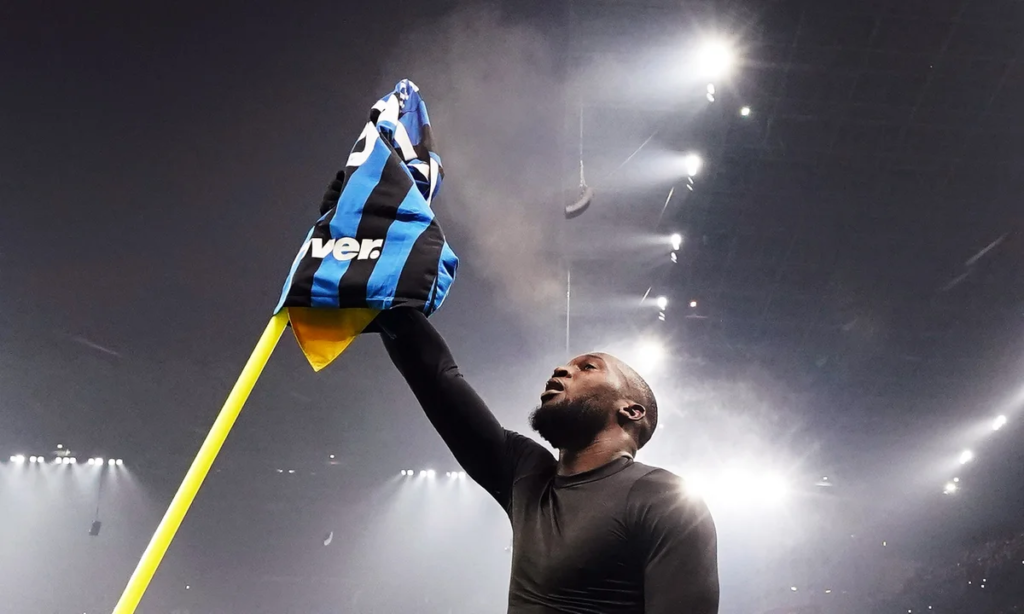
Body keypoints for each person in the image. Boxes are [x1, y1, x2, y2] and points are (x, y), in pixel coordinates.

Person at [379, 309, 719, 614]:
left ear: (631, 410)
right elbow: (437, 379)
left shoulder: (663, 498)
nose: (562, 369)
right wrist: (390, 304)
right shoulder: (527, 473)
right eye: (567, 365)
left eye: (587, 367)